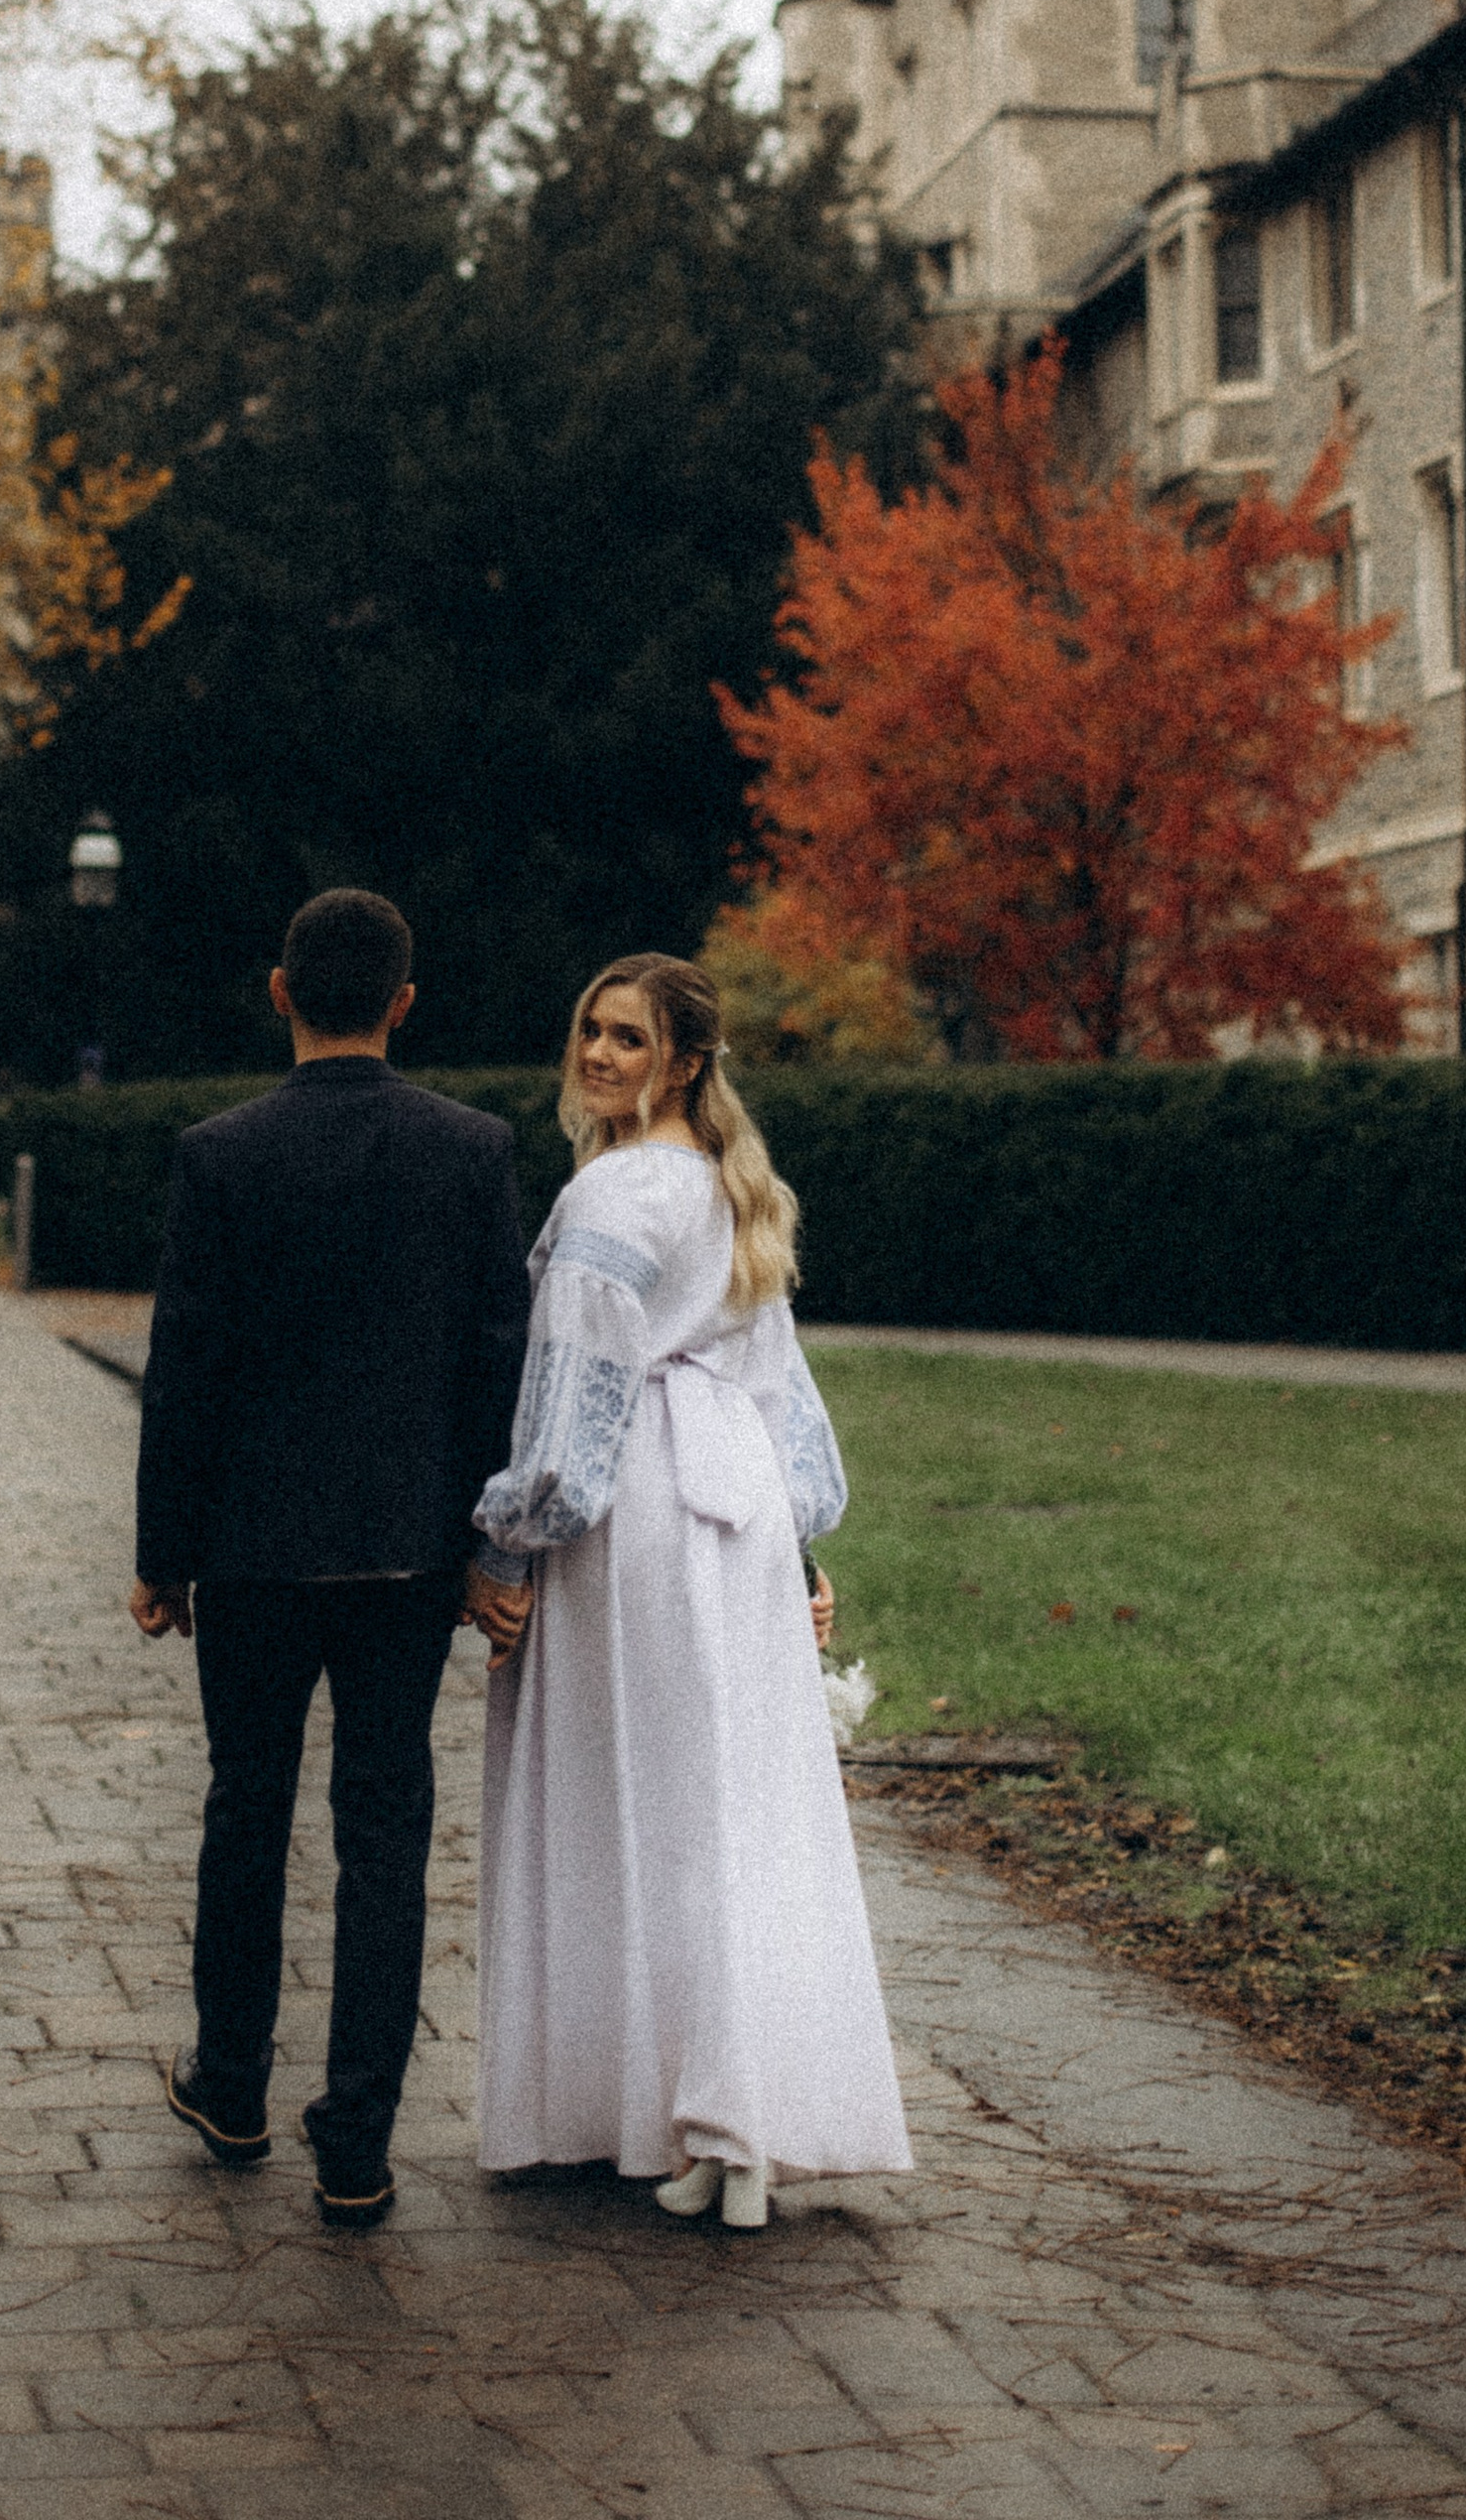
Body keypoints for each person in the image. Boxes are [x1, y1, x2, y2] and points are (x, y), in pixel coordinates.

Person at [467, 950, 913, 2226]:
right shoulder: (728, 1191)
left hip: (639, 1516)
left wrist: (511, 1540)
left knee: (646, 1792)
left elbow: (573, 1398)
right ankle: (729, 2118)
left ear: (686, 1060)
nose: (599, 1056)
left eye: (627, 1038)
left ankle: (696, 2106)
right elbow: (779, 1390)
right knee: (729, 1797)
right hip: (731, 1512)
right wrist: (799, 1544)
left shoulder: (615, 1193)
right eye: (589, 1031)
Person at [131, 888, 532, 2229]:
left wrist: (162, 1553)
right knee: (385, 1828)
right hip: (407, 1555)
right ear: (405, 1005)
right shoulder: (471, 1153)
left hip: (248, 1552)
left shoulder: (217, 1156)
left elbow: (184, 1369)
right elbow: (499, 1368)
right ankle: (357, 2138)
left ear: (279, 991)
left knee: (246, 1809)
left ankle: (232, 2080)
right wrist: (485, 1541)